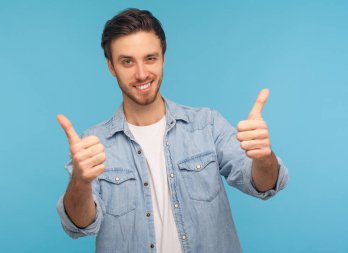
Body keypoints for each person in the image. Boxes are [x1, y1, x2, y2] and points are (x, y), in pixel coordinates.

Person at [56, 8, 288, 253]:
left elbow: (264, 185)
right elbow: (79, 225)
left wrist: (263, 157)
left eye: (150, 58)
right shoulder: (93, 143)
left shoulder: (207, 125)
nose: (142, 73)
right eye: (127, 62)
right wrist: (80, 182)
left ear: (163, 58)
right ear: (111, 67)